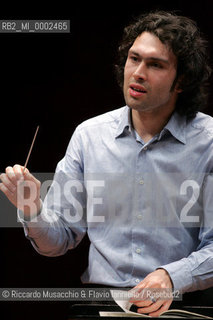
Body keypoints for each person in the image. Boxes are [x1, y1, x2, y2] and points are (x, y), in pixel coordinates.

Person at [1, 10, 213, 317]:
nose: (138, 72)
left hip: (179, 305)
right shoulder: (89, 136)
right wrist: (32, 208)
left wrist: (171, 277)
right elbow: (58, 240)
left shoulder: (208, 142)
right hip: (101, 305)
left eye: (155, 65)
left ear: (182, 81)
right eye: (134, 58)